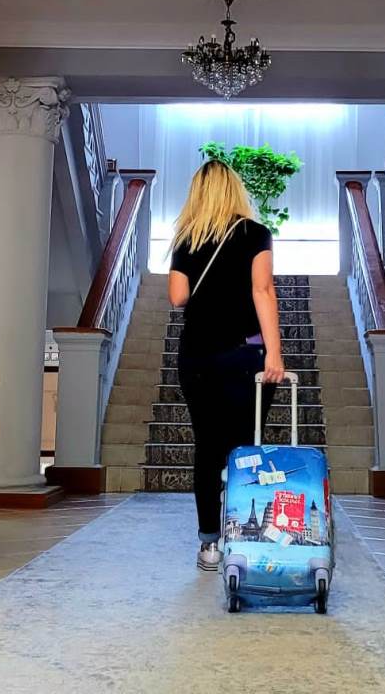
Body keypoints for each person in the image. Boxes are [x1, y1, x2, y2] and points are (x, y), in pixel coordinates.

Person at [168, 160, 284, 571]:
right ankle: (245, 540)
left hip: (197, 355)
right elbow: (262, 290)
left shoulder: (187, 237)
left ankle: (209, 545)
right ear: (236, 189)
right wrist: (275, 353)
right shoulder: (256, 233)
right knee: (245, 449)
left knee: (207, 448)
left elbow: (177, 296)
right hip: (244, 355)